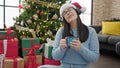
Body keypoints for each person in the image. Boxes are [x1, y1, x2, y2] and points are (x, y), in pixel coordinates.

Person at [38, 2, 99, 68]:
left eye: (69, 10)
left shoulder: (91, 31)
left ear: (76, 11)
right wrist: (61, 48)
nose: (67, 13)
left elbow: (94, 58)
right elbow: (55, 57)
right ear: (64, 18)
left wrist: (81, 48)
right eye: (64, 13)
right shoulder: (61, 31)